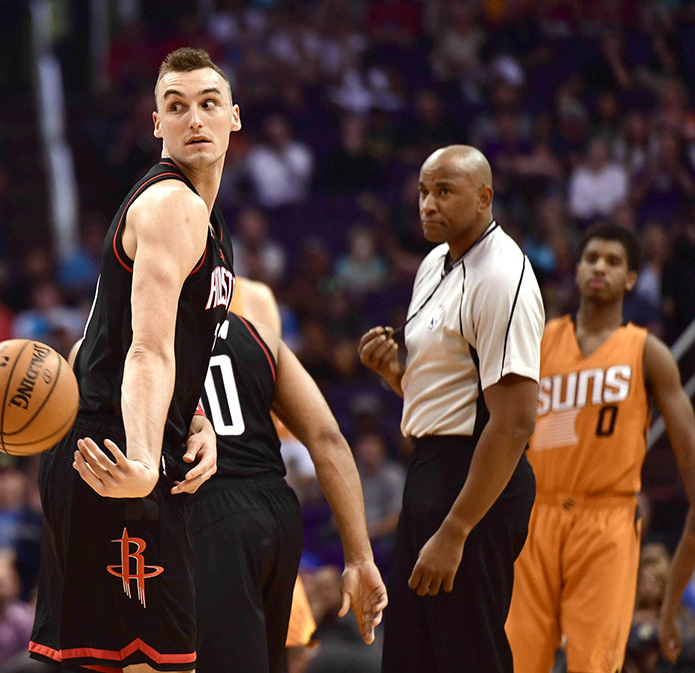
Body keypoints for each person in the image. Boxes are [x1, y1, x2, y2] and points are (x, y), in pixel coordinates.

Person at [29, 47, 238, 673]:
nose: (194, 118)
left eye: (208, 104)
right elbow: (146, 349)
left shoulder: (198, 213)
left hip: (118, 445)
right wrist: (147, 458)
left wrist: (193, 416)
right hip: (116, 455)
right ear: (157, 125)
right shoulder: (170, 204)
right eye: (176, 107)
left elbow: (111, 336)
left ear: (234, 118)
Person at [359, 145, 544, 673]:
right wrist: (394, 374)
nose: (427, 205)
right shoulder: (433, 262)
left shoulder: (502, 274)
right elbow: (446, 395)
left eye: (444, 192)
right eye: (422, 192)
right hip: (430, 469)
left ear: (485, 198)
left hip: (475, 482)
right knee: (412, 656)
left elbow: (513, 423)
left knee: (468, 656)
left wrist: (456, 530)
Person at [505, 223, 695, 672]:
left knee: (595, 663)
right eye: (592, 258)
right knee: (517, 659)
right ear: (576, 269)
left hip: (606, 519)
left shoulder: (648, 353)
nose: (600, 268)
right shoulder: (538, 341)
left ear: (631, 278)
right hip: (536, 515)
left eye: (613, 261)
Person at [192, 277, 386, 673]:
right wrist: (359, 556)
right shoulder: (259, 335)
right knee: (276, 658)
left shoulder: (141, 342)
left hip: (207, 511)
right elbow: (328, 438)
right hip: (273, 512)